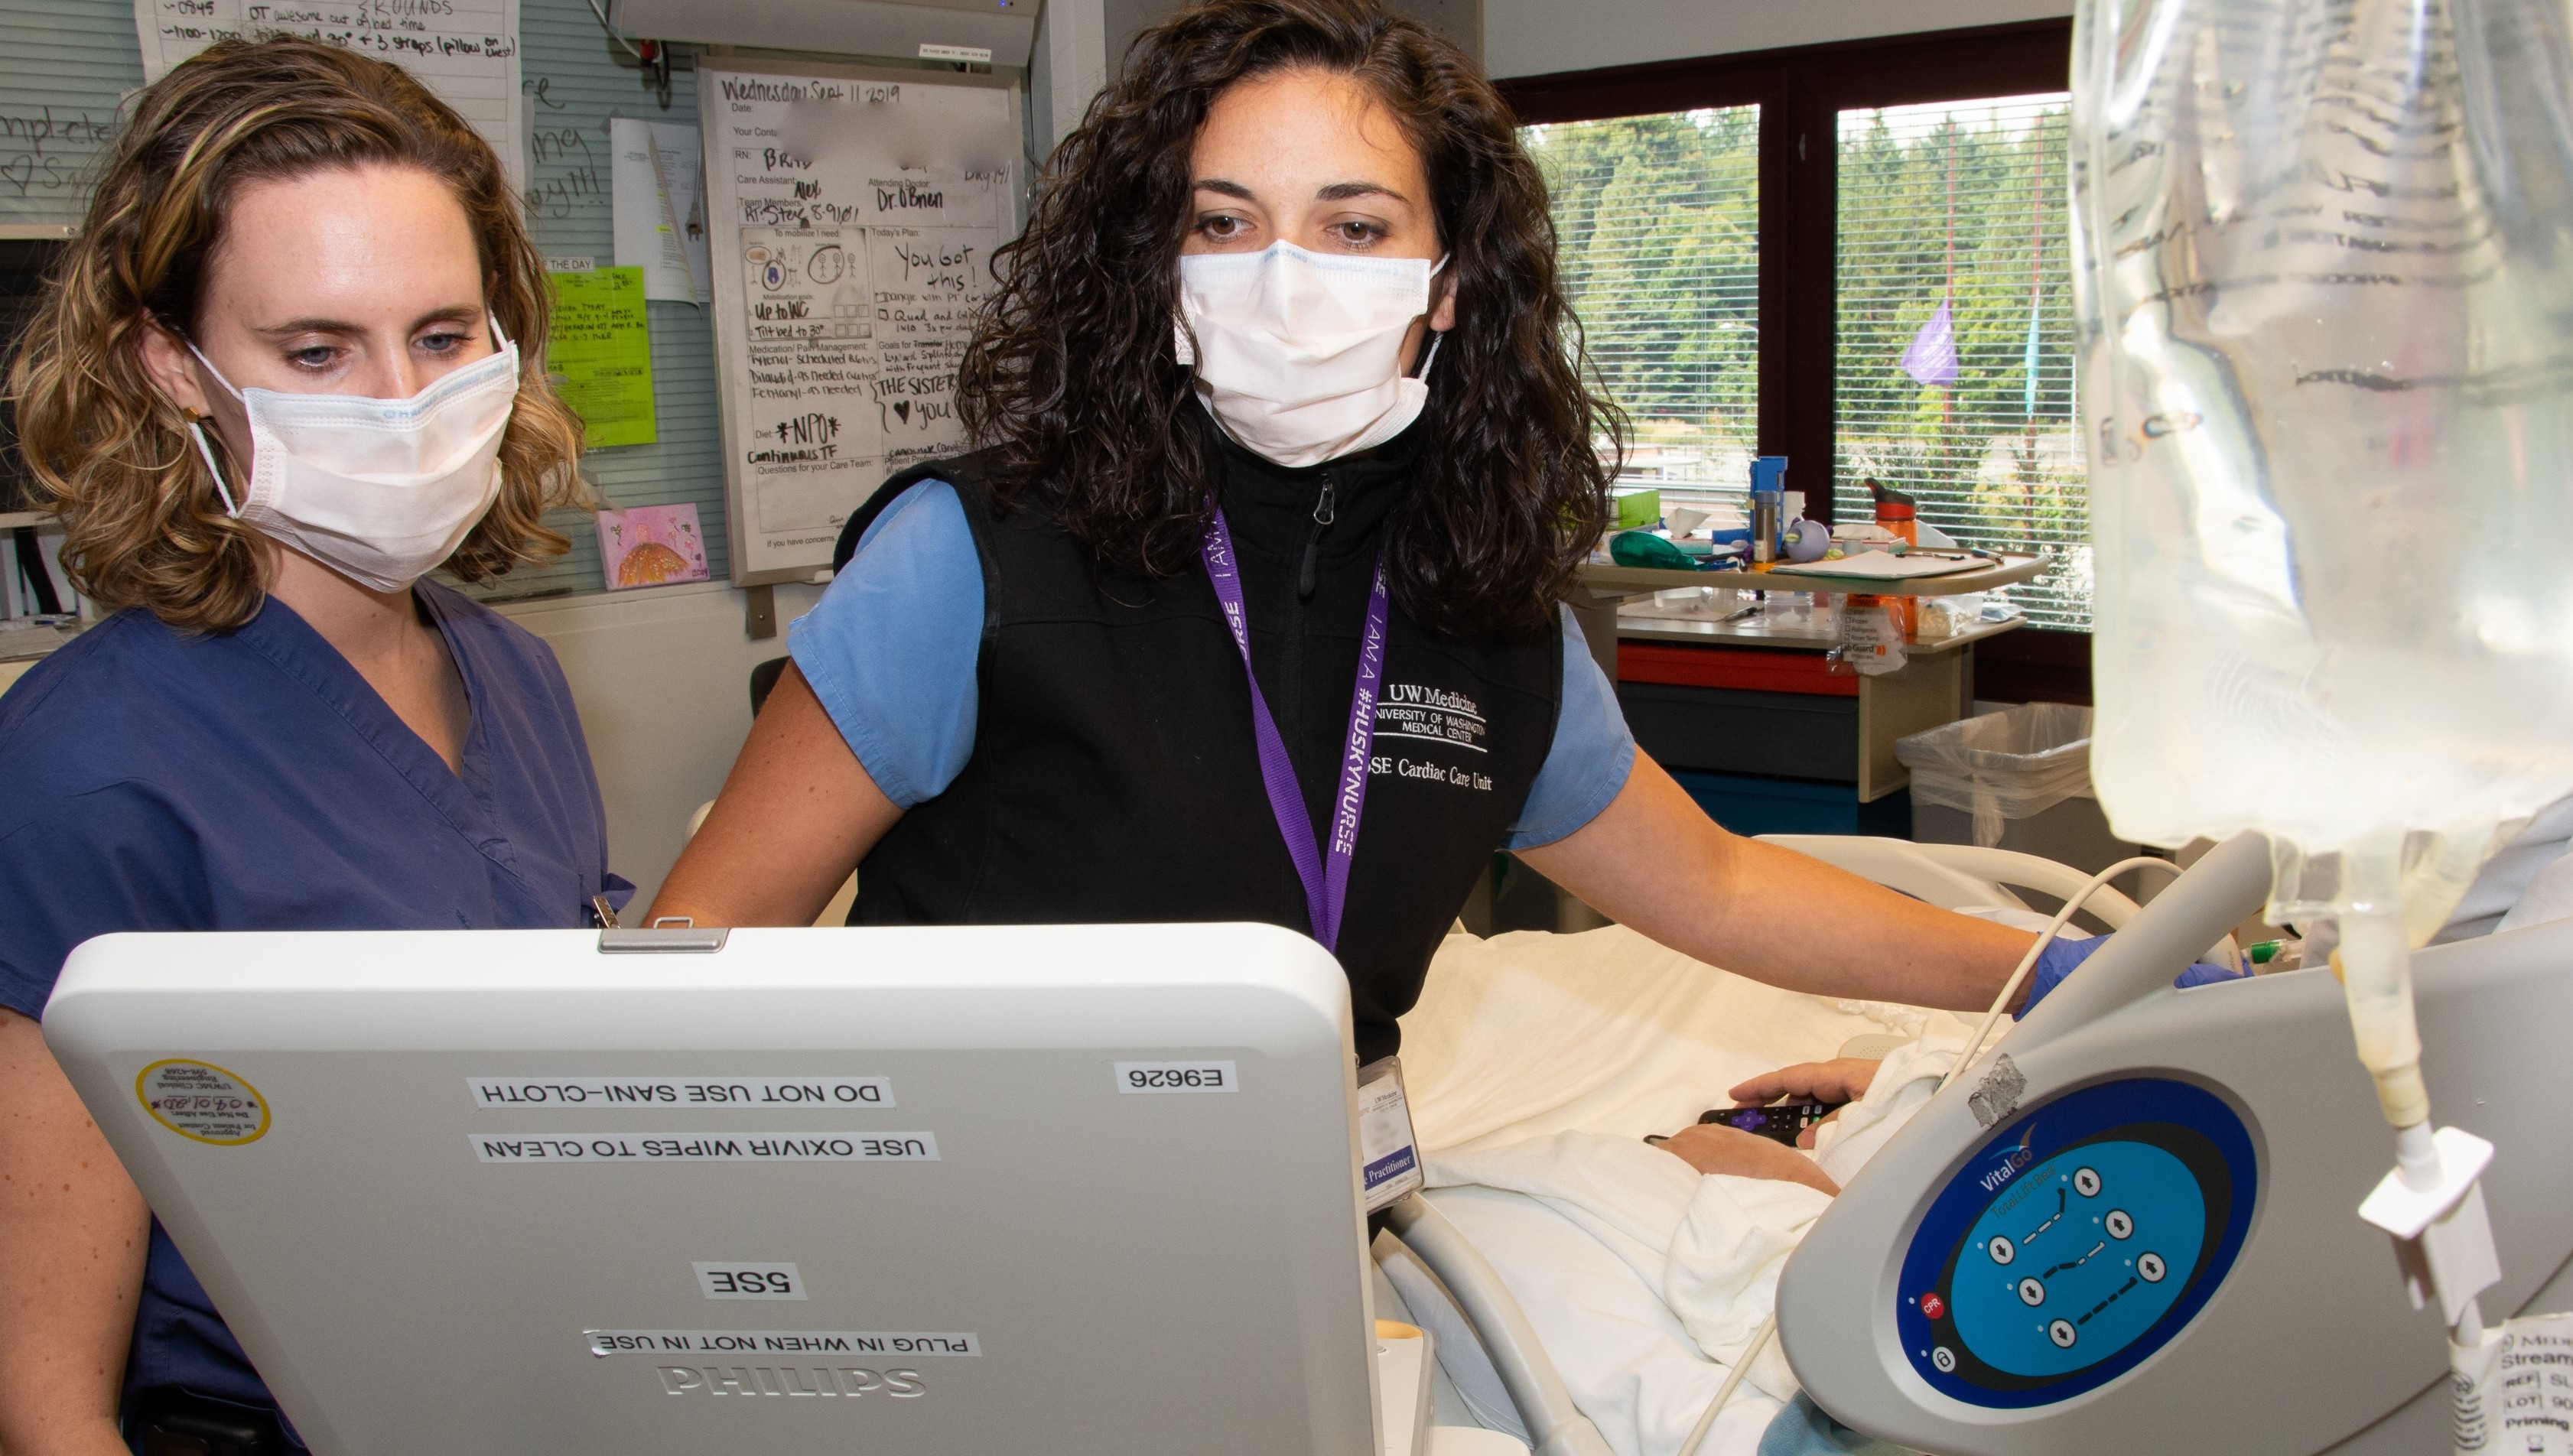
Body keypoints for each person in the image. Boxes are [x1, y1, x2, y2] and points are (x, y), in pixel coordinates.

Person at [651, 0, 2056, 1165]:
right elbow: (691, 959)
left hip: (1308, 1208)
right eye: (1223, 224)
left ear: (1447, 284)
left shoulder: (1488, 610)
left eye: (1355, 227)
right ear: (1156, 267)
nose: (1283, 282)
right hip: (987, 1216)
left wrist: (2041, 964)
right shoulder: (974, 555)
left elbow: (1722, 887)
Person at [0, 39, 624, 1454]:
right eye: (317, 352)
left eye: (443, 337)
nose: (401, 403)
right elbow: (48, 1402)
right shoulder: (85, 771)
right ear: (172, 364)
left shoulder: (516, 679)